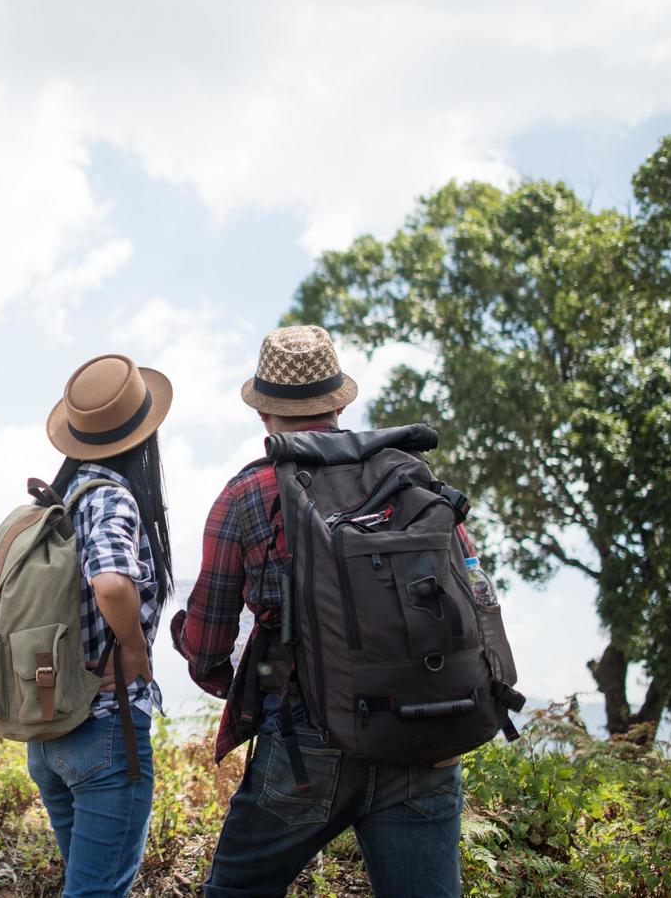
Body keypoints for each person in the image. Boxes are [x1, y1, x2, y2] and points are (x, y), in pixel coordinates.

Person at [172, 325, 470, 898]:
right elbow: (471, 589)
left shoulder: (248, 494)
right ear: (339, 403)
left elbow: (209, 642)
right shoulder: (410, 478)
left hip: (307, 741)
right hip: (426, 729)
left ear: (263, 415)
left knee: (237, 891)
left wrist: (211, 668)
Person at [30, 353, 175, 898]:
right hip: (107, 728)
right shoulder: (112, 496)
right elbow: (112, 583)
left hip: (50, 733)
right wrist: (133, 649)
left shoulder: (58, 502)